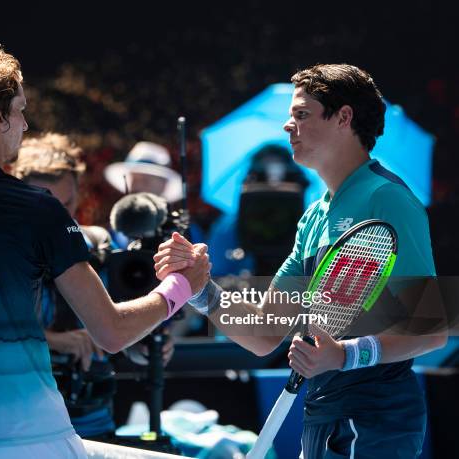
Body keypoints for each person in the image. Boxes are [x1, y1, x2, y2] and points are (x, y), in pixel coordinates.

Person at [0, 42, 209, 459]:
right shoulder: (38, 208)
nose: (25, 125)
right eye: (19, 110)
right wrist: (181, 286)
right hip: (38, 440)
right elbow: (112, 332)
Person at [154, 64, 447, 458]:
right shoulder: (314, 216)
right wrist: (200, 288)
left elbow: (430, 333)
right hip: (322, 411)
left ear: (344, 117)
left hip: (375, 418)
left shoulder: (389, 199)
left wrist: (344, 355)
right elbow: (263, 332)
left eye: (302, 114)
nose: (287, 126)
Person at [11, 132, 175, 439]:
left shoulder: (100, 245)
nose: (58, 216)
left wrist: (145, 347)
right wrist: (56, 341)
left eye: (67, 203)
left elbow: (124, 334)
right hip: (25, 423)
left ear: (78, 192)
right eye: (45, 204)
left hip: (95, 416)